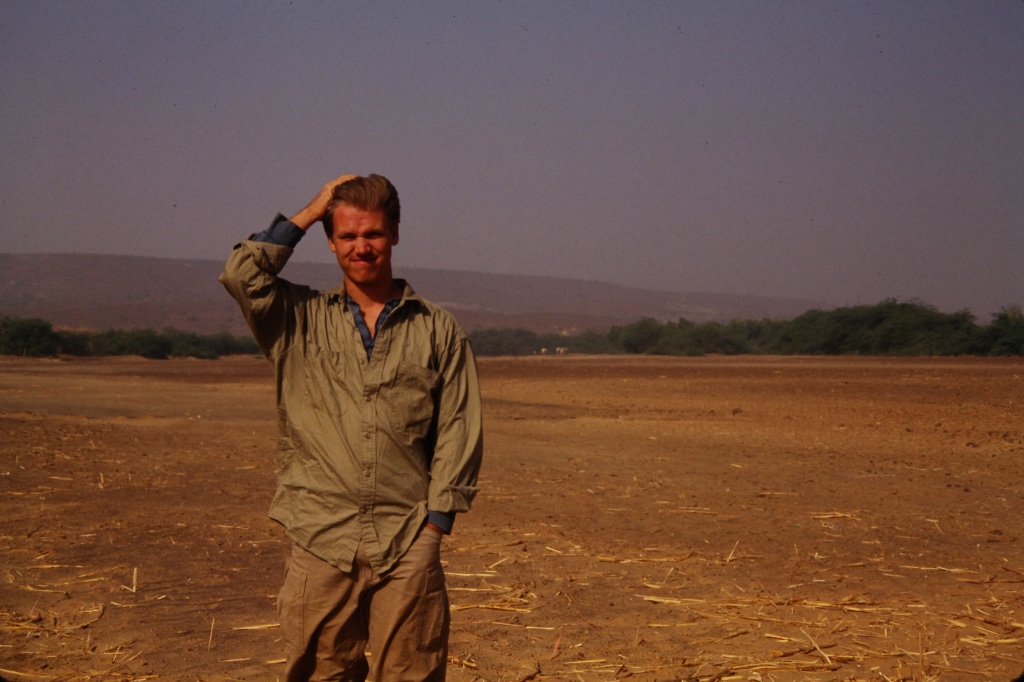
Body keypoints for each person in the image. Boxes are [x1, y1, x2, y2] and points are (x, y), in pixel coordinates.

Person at [219, 173, 484, 681]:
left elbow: (458, 430)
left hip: (408, 538)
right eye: (347, 235)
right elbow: (240, 274)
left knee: (412, 674)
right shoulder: (294, 318)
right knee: (321, 674)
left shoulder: (436, 329)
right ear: (330, 239)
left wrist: (435, 527)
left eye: (374, 234)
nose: (362, 247)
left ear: (395, 235)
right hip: (320, 536)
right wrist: (313, 207)